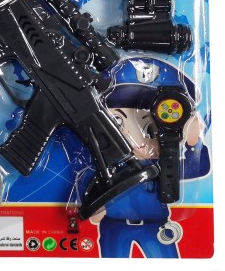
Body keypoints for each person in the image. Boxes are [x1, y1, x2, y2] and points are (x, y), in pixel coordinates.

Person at [90, 72, 210, 258]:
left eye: (149, 128)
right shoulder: (108, 168)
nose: (134, 138)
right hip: (114, 227)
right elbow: (93, 187)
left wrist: (193, 142)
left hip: (155, 228)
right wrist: (96, 207)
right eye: (118, 123)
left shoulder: (165, 163)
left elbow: (196, 168)